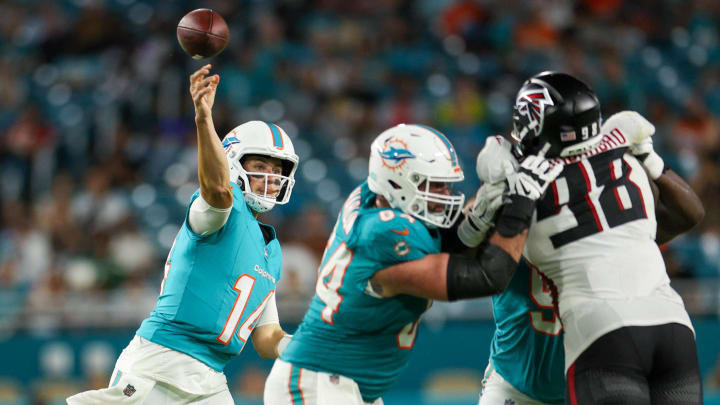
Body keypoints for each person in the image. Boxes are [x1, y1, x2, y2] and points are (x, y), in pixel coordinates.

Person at [263, 123, 562, 405]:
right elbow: (485, 276)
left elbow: (450, 235)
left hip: (341, 382)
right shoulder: (385, 234)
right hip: (318, 383)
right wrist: (520, 203)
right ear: (398, 182)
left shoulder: (375, 198)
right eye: (435, 186)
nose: (445, 196)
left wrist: (491, 196)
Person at [67, 64, 299, 404]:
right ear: (234, 163)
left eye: (276, 171)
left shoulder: (272, 249)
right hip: (160, 363)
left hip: (211, 380)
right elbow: (218, 189)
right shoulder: (221, 206)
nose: (269, 178)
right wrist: (204, 120)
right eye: (260, 166)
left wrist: (313, 348)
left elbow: (267, 337)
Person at [497, 71, 704, 405]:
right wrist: (650, 158)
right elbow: (687, 215)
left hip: (602, 330)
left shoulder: (523, 185)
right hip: (673, 326)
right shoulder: (627, 163)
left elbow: (486, 267)